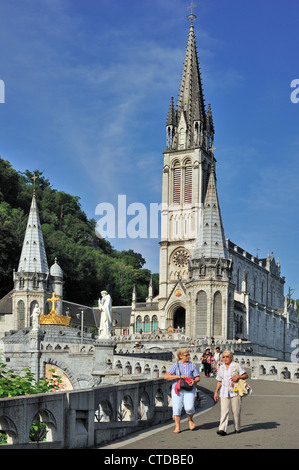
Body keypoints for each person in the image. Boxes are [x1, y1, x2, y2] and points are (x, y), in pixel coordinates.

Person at [164, 348, 200, 434]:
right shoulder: (175, 365)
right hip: (177, 389)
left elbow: (198, 377)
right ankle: (177, 426)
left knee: (190, 407)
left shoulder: (192, 365)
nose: (188, 356)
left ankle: (190, 420)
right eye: (186, 355)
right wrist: (178, 376)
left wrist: (194, 381)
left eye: (188, 355)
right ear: (180, 356)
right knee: (177, 408)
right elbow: (166, 376)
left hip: (189, 389)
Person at [214, 350, 248, 435]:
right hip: (224, 392)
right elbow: (219, 381)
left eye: (227, 357)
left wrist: (238, 377)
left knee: (236, 411)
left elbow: (245, 375)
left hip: (235, 391)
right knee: (224, 411)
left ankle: (237, 427)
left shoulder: (236, 365)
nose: (225, 359)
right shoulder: (221, 367)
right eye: (224, 357)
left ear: (231, 358)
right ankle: (222, 429)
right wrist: (216, 392)